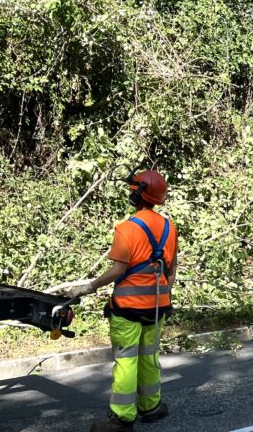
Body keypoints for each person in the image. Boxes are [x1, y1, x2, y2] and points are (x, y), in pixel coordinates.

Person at [65, 169, 178, 432]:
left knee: (127, 360)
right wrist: (164, 293)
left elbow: (118, 269)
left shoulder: (127, 229)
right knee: (149, 357)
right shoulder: (169, 227)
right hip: (157, 307)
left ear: (137, 194)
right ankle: (151, 407)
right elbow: (171, 267)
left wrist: (89, 287)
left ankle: (122, 417)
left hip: (128, 309)